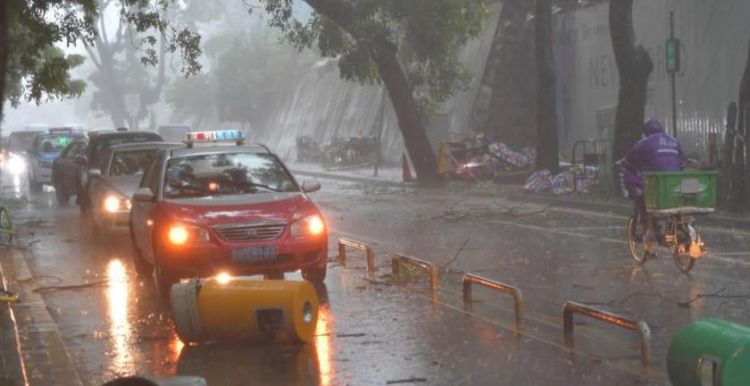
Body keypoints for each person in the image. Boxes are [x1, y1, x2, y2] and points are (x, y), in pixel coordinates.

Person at [620, 118, 686, 248]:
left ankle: (649, 234)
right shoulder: (674, 141)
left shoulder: (643, 143)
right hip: (675, 183)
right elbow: (682, 162)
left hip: (657, 184)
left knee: (645, 201)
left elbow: (628, 162)